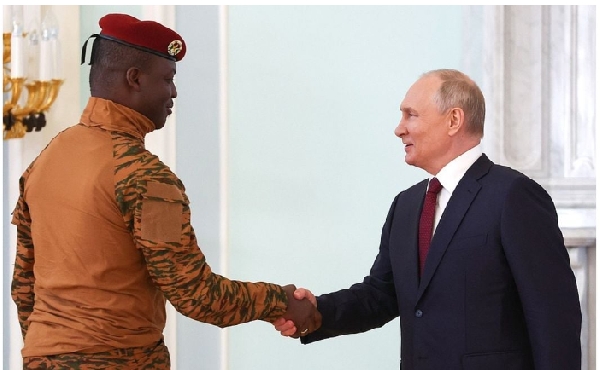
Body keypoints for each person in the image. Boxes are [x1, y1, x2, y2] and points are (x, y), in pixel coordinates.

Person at [10, 13, 320, 369]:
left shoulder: (48, 157)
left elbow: (23, 284)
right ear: (135, 78)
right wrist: (279, 300)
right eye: (168, 79)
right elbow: (197, 295)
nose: (173, 92)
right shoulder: (143, 176)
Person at [274, 69, 582, 369]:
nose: (399, 129)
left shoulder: (514, 196)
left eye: (411, 115)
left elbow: (554, 317)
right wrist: (317, 312)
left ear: (453, 120)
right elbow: (379, 296)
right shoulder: (406, 205)